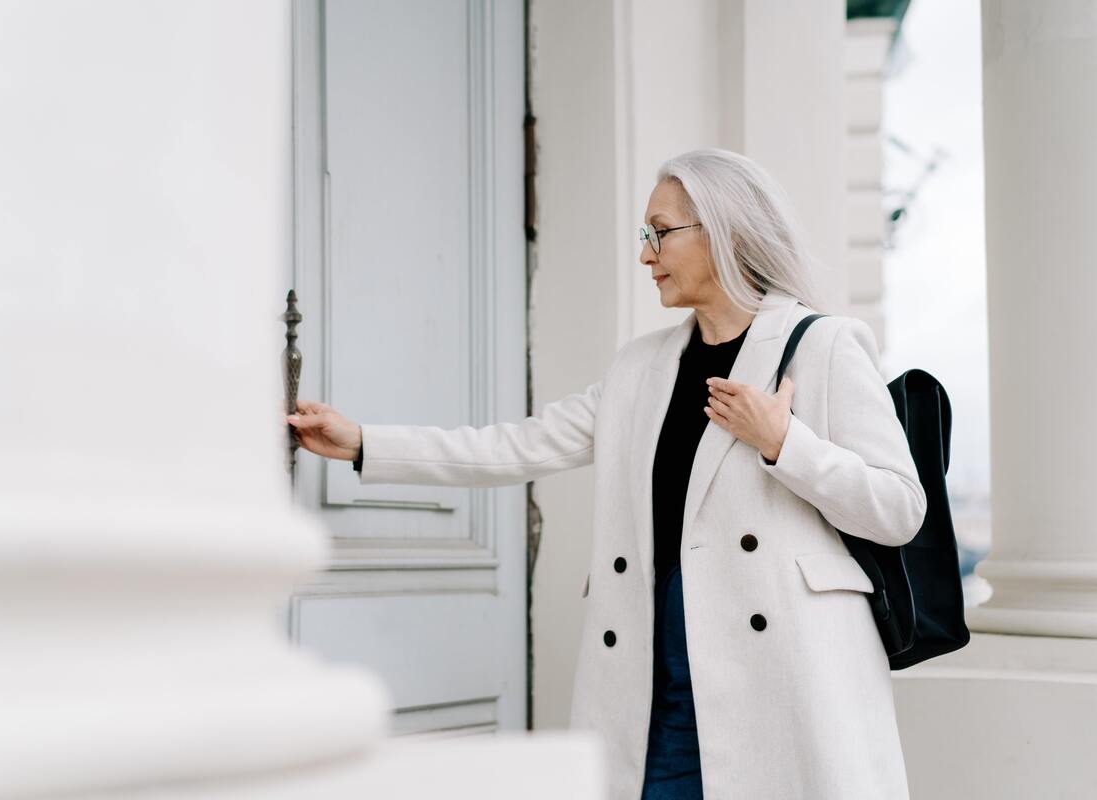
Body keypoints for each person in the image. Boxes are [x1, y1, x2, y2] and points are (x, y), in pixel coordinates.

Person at [287, 148, 927, 800]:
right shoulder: (641, 367)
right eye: (645, 236)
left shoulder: (822, 346)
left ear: (725, 229)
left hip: (780, 681)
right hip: (655, 669)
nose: (646, 254)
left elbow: (898, 508)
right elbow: (517, 446)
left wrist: (784, 442)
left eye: (661, 233)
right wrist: (365, 443)